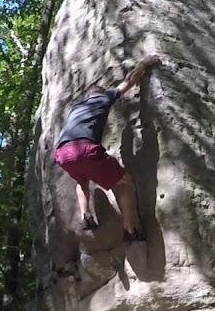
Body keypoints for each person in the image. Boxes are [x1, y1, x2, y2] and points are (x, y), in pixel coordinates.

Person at [53, 54, 161, 243]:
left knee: (81, 179)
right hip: (84, 149)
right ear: (100, 93)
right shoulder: (103, 99)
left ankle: (85, 216)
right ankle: (130, 229)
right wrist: (143, 63)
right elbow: (128, 82)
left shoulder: (77, 108)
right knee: (125, 182)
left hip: (62, 153)